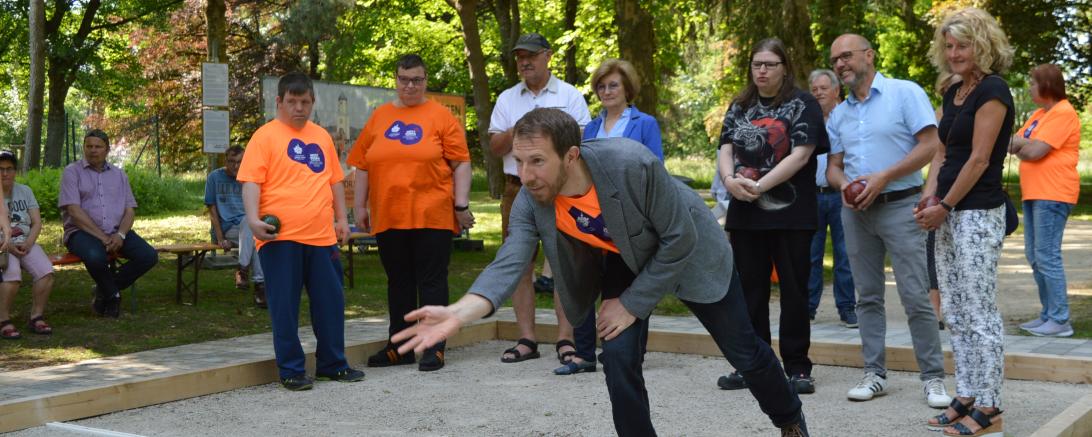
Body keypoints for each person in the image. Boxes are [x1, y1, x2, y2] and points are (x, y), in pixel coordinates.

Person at [391, 108, 810, 437]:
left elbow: (679, 239)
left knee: (744, 352)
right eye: (519, 161)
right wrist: (459, 314)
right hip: (624, 257)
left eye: (537, 161)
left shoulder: (630, 163)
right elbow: (510, 260)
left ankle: (790, 418)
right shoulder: (533, 198)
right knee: (618, 356)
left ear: (571, 155)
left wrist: (631, 303)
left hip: (690, 251)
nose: (526, 174)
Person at [824, 33, 951, 408]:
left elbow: (930, 146)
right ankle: (874, 374)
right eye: (835, 60)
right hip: (856, 213)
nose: (840, 64)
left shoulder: (904, 92)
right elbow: (833, 167)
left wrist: (882, 178)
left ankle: (933, 379)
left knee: (916, 295)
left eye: (846, 56)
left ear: (869, 55)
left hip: (901, 205)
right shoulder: (840, 113)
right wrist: (846, 185)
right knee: (867, 297)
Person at [917, 8, 1015, 435]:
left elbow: (978, 159)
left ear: (982, 45)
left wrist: (946, 206)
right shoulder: (952, 89)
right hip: (947, 210)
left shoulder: (993, 90)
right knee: (954, 310)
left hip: (977, 212)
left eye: (963, 45)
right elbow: (942, 153)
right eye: (949, 46)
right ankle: (968, 391)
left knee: (979, 311)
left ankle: (991, 406)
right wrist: (927, 198)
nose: (955, 53)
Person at [237, 72, 364, 391]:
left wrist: (341, 219)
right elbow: (251, 181)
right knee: (284, 305)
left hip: (321, 236)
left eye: (304, 101)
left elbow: (334, 180)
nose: (298, 108)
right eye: (291, 101)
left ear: (312, 102)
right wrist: (252, 219)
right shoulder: (264, 137)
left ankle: (332, 364)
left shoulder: (321, 136)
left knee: (330, 302)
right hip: (279, 237)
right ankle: (292, 369)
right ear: (278, 102)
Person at [348, 54, 474, 372]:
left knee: (431, 283)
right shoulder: (380, 116)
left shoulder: (441, 116)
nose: (410, 86)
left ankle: (433, 346)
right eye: (404, 79)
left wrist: (461, 205)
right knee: (399, 282)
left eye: (417, 79)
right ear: (396, 80)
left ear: (425, 80)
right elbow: (362, 165)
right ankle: (400, 346)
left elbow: (461, 163)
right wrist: (359, 207)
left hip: (433, 213)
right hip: (390, 215)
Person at [715, 38, 826, 395]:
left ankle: (797, 368)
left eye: (769, 64)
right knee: (749, 292)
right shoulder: (740, 104)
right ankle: (754, 366)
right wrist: (730, 180)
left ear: (784, 68)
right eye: (756, 64)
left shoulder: (802, 103)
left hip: (791, 214)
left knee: (794, 292)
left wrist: (759, 186)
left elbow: (801, 155)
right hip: (745, 213)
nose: (762, 70)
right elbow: (725, 148)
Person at [489, 32, 591, 365]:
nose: (524, 62)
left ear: (548, 56)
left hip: (561, 188)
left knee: (565, 262)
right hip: (516, 187)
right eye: (519, 57)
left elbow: (582, 144)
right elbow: (495, 147)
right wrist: (522, 127)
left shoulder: (570, 95)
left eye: (531, 55)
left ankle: (565, 338)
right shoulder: (507, 99)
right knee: (519, 262)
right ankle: (526, 339)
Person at [557, 58, 663, 376]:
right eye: (601, 86)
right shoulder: (590, 127)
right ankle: (584, 353)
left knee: (626, 285)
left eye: (613, 85)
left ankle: (629, 353)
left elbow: (654, 168)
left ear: (627, 88)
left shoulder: (644, 123)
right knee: (586, 282)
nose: (606, 91)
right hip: (590, 215)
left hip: (630, 217)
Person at [1009, 63, 1081, 338]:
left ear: (1047, 85)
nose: (1029, 87)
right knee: (1034, 255)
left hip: (1053, 193)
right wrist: (1024, 147)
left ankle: (1060, 319)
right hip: (1035, 191)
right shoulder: (1040, 114)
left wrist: (1024, 148)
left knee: (1047, 256)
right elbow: (1012, 143)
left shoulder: (1063, 112)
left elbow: (1034, 151)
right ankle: (1049, 315)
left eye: (1033, 82)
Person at [60, 129, 159, 318]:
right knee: (96, 257)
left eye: (98, 147)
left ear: (107, 150)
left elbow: (130, 209)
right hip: (81, 233)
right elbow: (73, 210)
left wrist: (120, 234)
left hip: (115, 231)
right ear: (84, 148)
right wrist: (103, 237)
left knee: (148, 256)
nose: (93, 151)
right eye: (89, 146)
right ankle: (113, 296)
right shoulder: (72, 172)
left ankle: (104, 289)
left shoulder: (119, 175)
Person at [806, 68, 857, 328]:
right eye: (814, 90)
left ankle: (847, 307)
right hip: (812, 196)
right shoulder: (809, 120)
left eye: (823, 89)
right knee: (811, 255)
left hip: (840, 195)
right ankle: (808, 308)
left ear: (837, 90)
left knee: (844, 253)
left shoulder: (848, 117)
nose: (818, 94)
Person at [205, 145, 265, 308]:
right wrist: (220, 238)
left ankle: (243, 270)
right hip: (226, 228)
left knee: (253, 231)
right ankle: (260, 287)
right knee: (252, 228)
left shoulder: (250, 179)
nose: (236, 166)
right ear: (226, 161)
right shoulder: (214, 178)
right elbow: (212, 210)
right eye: (232, 161)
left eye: (240, 162)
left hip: (247, 231)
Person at [0, 152, 38, 339]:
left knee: (46, 272)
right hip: (3, 247)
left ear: (15, 171)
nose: (4, 173)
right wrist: (7, 245)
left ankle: (36, 317)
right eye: (0, 169)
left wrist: (29, 242)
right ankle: (3, 320)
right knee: (13, 275)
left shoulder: (25, 191)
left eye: (9, 169)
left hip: (24, 242)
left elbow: (37, 222)